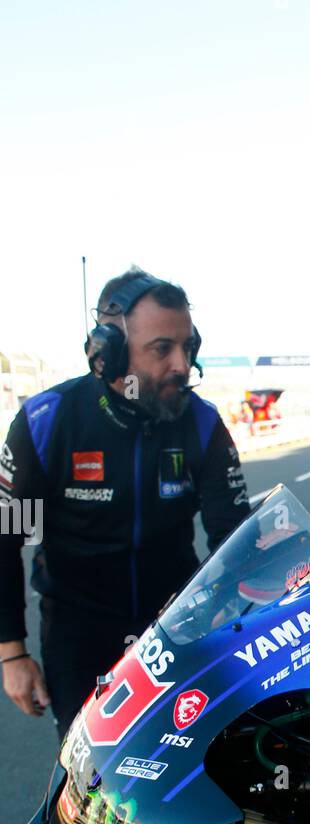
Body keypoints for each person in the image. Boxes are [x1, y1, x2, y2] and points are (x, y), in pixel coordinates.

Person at [0, 267, 250, 740]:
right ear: (108, 353)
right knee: (94, 783)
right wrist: (12, 653)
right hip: (78, 635)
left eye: (188, 346)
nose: (181, 363)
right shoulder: (47, 423)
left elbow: (234, 537)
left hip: (176, 628)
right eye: (162, 348)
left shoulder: (200, 424)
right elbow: (5, 539)